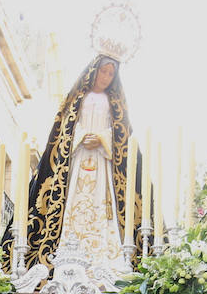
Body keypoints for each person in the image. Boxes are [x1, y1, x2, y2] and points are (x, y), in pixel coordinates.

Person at [23, 55, 137, 275]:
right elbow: (65, 128)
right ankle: (66, 251)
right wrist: (82, 136)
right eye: (103, 71)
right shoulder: (78, 98)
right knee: (72, 201)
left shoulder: (115, 103)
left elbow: (122, 134)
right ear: (93, 70)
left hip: (102, 161)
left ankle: (105, 258)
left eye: (110, 74)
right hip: (77, 157)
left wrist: (103, 139)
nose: (105, 77)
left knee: (102, 204)